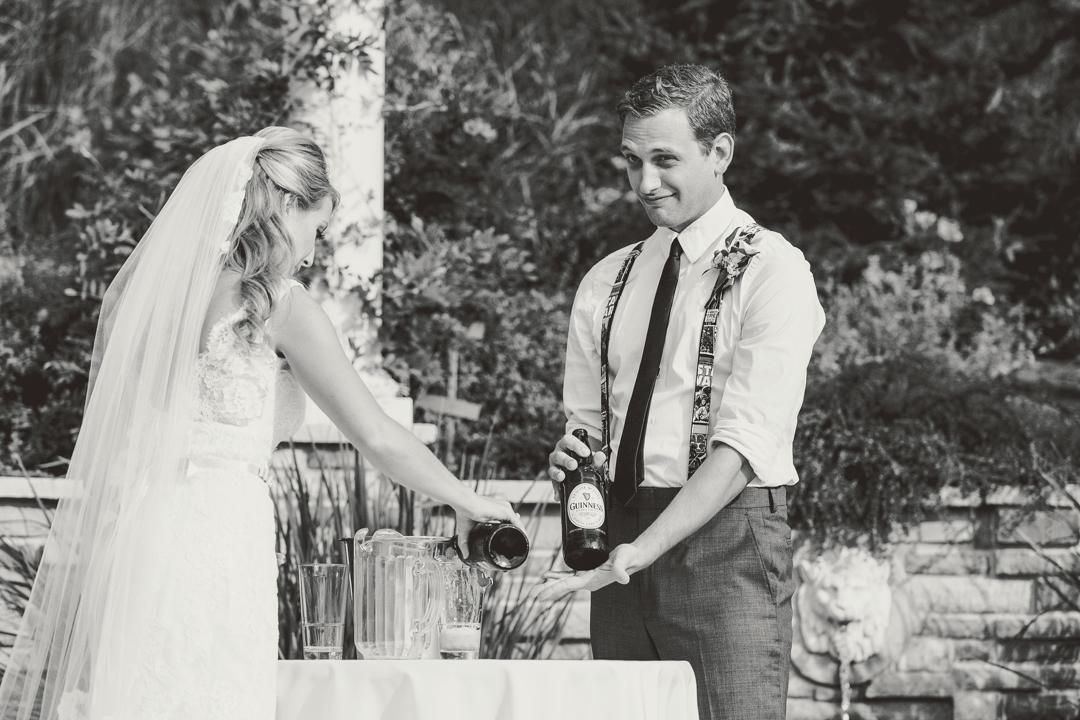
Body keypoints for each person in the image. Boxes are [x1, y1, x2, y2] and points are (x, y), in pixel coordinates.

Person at [0, 127, 520, 720]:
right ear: (287, 205)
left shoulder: (171, 301)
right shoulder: (280, 305)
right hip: (219, 530)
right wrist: (467, 501)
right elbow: (375, 435)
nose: (314, 253)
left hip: (144, 526)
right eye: (316, 229)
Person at [535, 64, 825, 720]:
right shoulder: (605, 281)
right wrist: (574, 461)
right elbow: (587, 426)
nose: (645, 183)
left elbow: (745, 445)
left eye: (665, 160)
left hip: (728, 541)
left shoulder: (774, 270)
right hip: (617, 546)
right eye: (631, 161)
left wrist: (645, 549)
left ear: (719, 152)